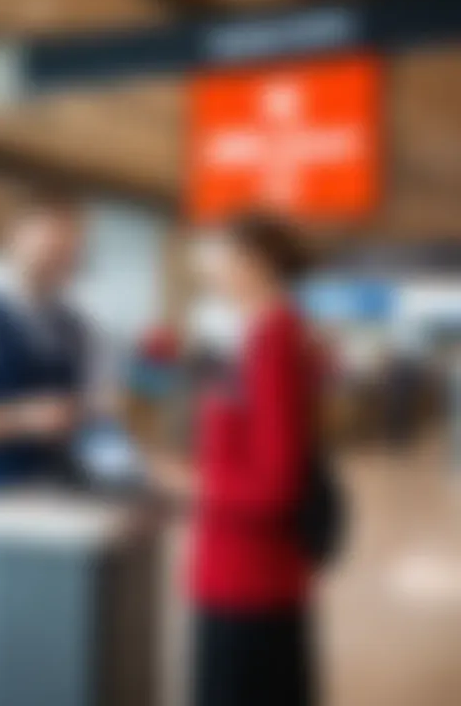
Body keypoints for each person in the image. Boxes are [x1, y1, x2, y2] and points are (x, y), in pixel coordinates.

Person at [156, 213, 322, 706]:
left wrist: (190, 484)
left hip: (248, 580)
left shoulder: (273, 342)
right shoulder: (258, 337)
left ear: (259, 265)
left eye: (223, 258)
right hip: (242, 573)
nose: (213, 270)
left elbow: (276, 485)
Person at [0, 187, 116, 495]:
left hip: (63, 493)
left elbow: (100, 411)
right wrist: (24, 418)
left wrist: (94, 419)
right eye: (47, 250)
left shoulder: (81, 330)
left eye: (65, 254)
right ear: (14, 241)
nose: (56, 262)